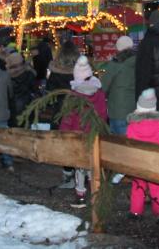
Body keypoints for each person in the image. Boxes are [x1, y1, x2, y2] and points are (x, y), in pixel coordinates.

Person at [59, 55, 107, 208]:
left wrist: (64, 133)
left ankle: (80, 196)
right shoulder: (99, 93)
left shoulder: (74, 96)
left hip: (78, 135)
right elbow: (103, 113)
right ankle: (96, 194)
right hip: (94, 133)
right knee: (93, 165)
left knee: (80, 166)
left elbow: (68, 117)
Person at [125, 88, 159, 223]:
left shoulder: (132, 126)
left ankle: (136, 211)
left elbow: (129, 145)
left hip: (138, 162)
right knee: (158, 188)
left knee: (138, 186)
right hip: (154, 163)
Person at [48, 41, 81, 189]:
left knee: (64, 143)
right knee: (79, 141)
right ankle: (81, 173)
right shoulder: (80, 71)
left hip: (61, 111)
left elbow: (49, 93)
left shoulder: (55, 72)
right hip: (78, 110)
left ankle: (68, 174)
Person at [99, 35, 136, 137]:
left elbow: (103, 87)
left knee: (118, 145)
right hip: (134, 110)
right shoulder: (139, 62)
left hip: (117, 111)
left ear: (118, 48)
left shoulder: (115, 64)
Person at [6, 52, 36, 124]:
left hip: (12, 110)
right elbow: (33, 88)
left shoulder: (7, 78)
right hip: (28, 107)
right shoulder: (29, 74)